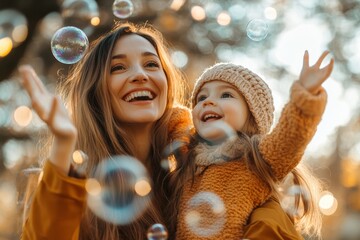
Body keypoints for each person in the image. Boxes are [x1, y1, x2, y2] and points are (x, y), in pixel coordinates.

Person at [18, 21, 193, 240]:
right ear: (95, 93)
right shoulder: (73, 189)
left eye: (151, 64)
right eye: (118, 67)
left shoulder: (194, 173)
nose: (140, 75)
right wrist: (64, 143)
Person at [170, 50, 334, 239]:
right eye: (201, 98)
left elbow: (291, 137)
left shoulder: (257, 158)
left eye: (225, 95)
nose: (209, 102)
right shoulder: (187, 153)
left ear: (253, 116)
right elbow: (170, 118)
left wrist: (305, 94)